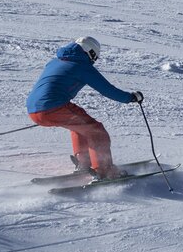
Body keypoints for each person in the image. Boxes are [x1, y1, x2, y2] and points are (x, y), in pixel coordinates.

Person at [26, 36, 143, 179]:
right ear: (91, 53)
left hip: (34, 109)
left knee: (80, 126)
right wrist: (131, 97)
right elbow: (107, 90)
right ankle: (104, 170)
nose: (94, 60)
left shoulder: (55, 62)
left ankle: (84, 164)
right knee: (96, 131)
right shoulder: (81, 66)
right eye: (95, 57)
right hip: (54, 106)